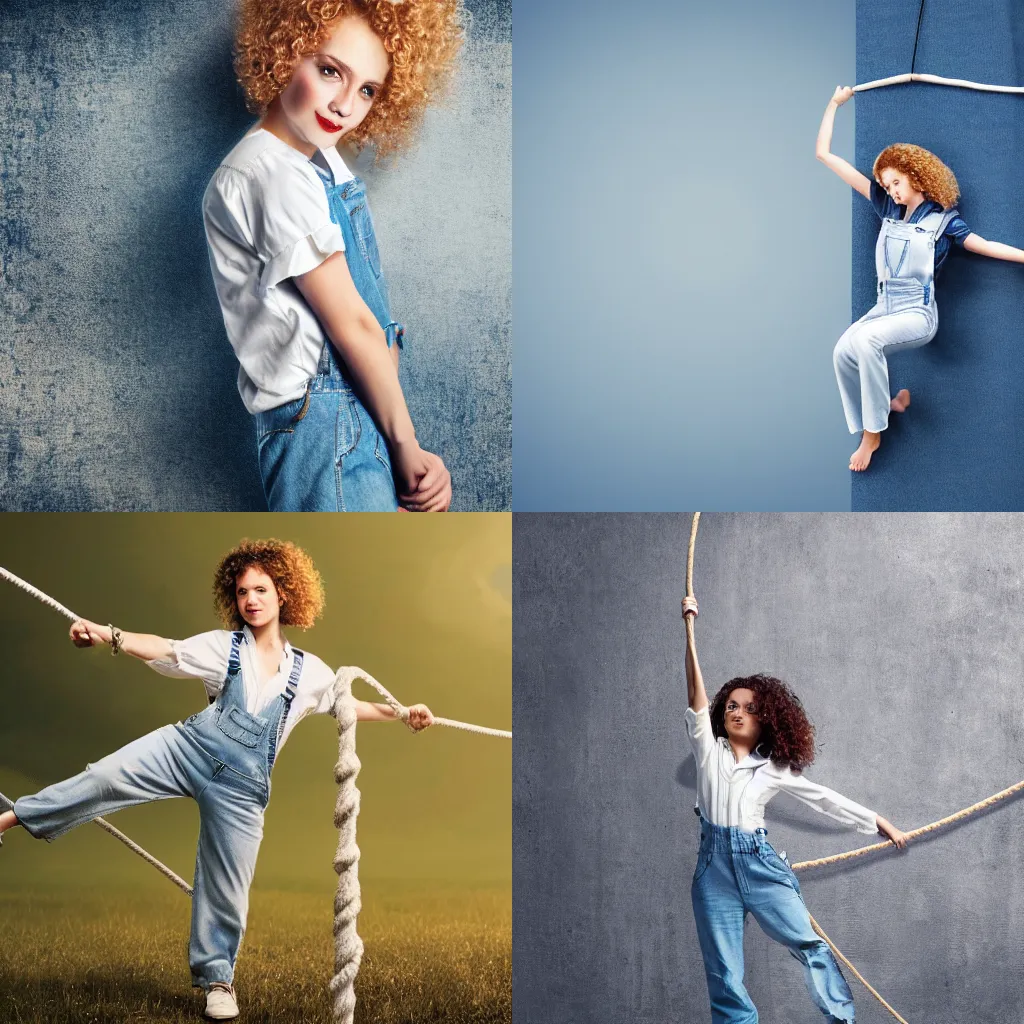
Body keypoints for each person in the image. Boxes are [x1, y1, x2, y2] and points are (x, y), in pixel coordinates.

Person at [0, 539, 434, 1022]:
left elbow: (346, 707)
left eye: (261, 590)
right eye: (243, 591)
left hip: (242, 791)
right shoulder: (223, 647)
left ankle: (218, 982)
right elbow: (166, 649)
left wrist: (401, 713)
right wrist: (109, 635)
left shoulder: (310, 672)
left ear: (284, 594)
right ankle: (10, 820)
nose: (251, 599)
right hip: (187, 750)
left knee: (228, 889)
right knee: (103, 776)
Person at [203, 0, 463, 510]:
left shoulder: (314, 162)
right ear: (281, 52)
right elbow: (352, 324)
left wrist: (396, 444)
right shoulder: (271, 173)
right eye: (329, 71)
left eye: (367, 90)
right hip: (322, 428)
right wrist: (407, 445)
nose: (345, 104)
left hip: (355, 414)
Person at [681, 594, 906, 1023]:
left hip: (760, 864)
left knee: (810, 944)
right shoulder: (707, 750)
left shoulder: (774, 768)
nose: (738, 712)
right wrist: (689, 629)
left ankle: (842, 1019)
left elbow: (822, 798)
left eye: (749, 708)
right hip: (713, 872)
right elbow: (695, 696)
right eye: (731, 705)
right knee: (725, 975)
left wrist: (877, 822)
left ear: (767, 718)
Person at [816, 85, 1024, 471]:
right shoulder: (887, 210)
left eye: (895, 182)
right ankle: (881, 409)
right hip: (884, 306)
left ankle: (873, 434)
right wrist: (834, 104)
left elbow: (986, 244)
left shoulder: (945, 222)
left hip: (918, 314)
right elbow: (825, 156)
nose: (891, 192)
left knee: (865, 340)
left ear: (915, 176)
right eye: (886, 185)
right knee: (842, 352)